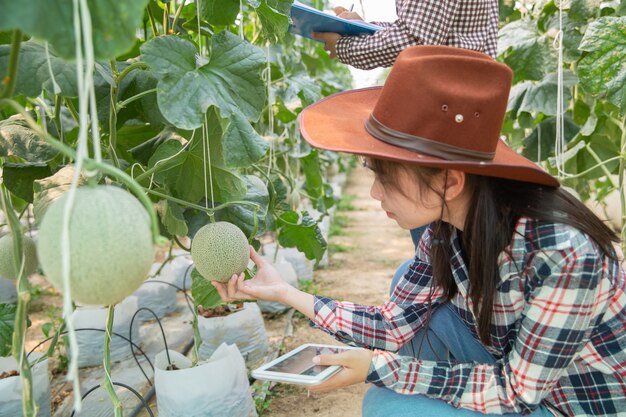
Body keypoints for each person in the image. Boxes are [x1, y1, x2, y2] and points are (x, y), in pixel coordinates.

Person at [212, 46, 626, 416]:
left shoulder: (564, 254)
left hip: (570, 400)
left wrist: (381, 369)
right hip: (515, 366)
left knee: (390, 406)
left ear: (449, 182)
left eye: (386, 177)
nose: (375, 193)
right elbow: (394, 325)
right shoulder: (446, 230)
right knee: (412, 310)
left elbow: (517, 393)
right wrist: (285, 292)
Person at [311, 0, 498, 69]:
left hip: (443, 107)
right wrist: (363, 28)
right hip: (461, 101)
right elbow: (424, 32)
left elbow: (413, 43)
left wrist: (344, 47)